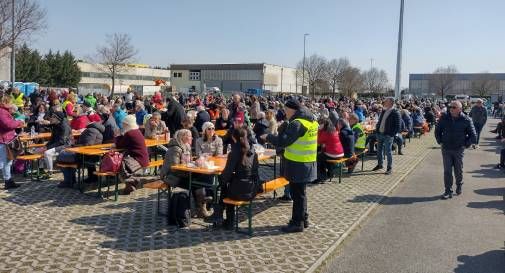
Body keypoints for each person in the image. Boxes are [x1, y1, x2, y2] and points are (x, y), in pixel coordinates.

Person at [261, 99, 318, 233]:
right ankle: (303, 219)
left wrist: (268, 137)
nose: (285, 113)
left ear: (292, 110)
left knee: (297, 194)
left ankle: (297, 223)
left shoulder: (297, 123)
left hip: (298, 164)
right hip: (307, 162)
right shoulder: (311, 120)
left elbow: (283, 141)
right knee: (301, 193)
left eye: (286, 110)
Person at [213, 127, 260, 229]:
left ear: (234, 138)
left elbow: (227, 173)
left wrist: (220, 181)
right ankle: (221, 216)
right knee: (228, 185)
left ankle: (224, 218)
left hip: (241, 191)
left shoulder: (234, 153)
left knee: (224, 188)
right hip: (252, 188)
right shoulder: (253, 151)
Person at [160, 129, 212, 218]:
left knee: (201, 178)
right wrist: (191, 167)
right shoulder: (175, 148)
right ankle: (201, 208)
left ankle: (202, 206)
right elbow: (174, 168)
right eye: (189, 136)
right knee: (196, 184)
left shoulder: (186, 146)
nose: (191, 138)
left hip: (182, 174)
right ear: (183, 137)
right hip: (171, 177)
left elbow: (188, 162)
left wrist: (197, 162)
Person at [435, 100, 477, 199]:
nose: (451, 109)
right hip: (446, 148)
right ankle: (448, 190)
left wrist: (465, 145)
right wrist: (440, 141)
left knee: (458, 170)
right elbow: (437, 131)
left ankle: (459, 184)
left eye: (454, 107)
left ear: (460, 109)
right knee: (447, 171)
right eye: (450, 107)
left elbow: (473, 135)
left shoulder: (466, 119)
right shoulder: (444, 117)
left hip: (458, 149)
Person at [58, 118, 105, 188]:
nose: (85, 122)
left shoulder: (91, 130)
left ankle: (69, 181)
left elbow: (87, 145)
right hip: (89, 155)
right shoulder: (95, 130)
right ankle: (72, 180)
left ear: (90, 122)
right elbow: (87, 143)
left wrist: (74, 145)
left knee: (61, 156)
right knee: (64, 157)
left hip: (84, 156)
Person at [115, 115, 149, 195]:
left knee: (120, 163)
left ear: (127, 124)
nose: (122, 126)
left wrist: (118, 135)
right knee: (124, 161)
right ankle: (130, 185)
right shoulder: (137, 131)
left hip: (138, 161)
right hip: (143, 160)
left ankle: (129, 183)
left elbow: (119, 145)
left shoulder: (130, 133)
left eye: (124, 124)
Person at [0, 94, 24, 189]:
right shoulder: (2, 112)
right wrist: (19, 122)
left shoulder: (4, 111)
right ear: (5, 102)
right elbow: (8, 124)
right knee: (5, 161)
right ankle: (8, 181)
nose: (11, 104)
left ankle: (8, 180)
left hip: (6, 139)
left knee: (7, 161)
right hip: (4, 140)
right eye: (10, 102)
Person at [372, 98, 401, 175]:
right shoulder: (384, 111)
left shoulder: (395, 112)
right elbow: (380, 121)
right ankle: (380, 165)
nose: (384, 102)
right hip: (380, 134)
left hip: (388, 135)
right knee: (379, 150)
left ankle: (389, 168)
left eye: (386, 101)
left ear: (390, 103)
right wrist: (377, 129)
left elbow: (398, 126)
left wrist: (391, 134)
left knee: (388, 152)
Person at [42, 107, 72, 177]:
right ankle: (40, 170)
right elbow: (52, 139)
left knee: (47, 153)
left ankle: (50, 172)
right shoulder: (55, 126)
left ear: (58, 119)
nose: (51, 118)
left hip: (66, 145)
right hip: (58, 144)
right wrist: (45, 146)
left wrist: (48, 148)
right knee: (40, 149)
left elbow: (62, 141)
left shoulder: (64, 127)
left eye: (53, 117)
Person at [316, 118, 344, 182]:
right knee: (323, 158)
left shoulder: (325, 132)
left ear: (324, 124)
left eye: (320, 124)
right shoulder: (333, 129)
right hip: (340, 153)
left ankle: (321, 177)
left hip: (333, 154)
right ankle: (330, 173)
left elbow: (319, 141)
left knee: (318, 158)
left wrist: (319, 130)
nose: (319, 125)